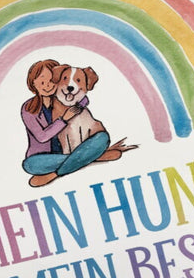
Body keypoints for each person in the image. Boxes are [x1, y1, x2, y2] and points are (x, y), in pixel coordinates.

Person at [20, 57, 125, 187]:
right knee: (30, 165)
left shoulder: (61, 98)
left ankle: (54, 174)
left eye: (51, 82)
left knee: (102, 138)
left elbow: (83, 98)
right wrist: (64, 119)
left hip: (67, 153)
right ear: (33, 84)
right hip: (44, 157)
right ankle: (91, 157)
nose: (47, 86)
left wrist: (78, 106)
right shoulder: (29, 108)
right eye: (42, 82)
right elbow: (42, 137)